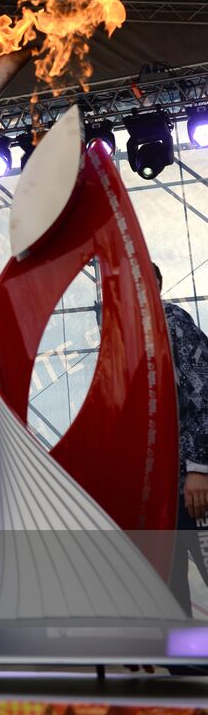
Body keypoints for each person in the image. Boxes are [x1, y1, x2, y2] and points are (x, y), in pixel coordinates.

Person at [152, 263, 208, 616]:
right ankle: (183, 664)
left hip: (189, 485)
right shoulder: (123, 337)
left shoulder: (173, 324)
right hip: (157, 491)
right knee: (168, 591)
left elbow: (203, 394)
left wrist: (199, 468)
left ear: (154, 283)